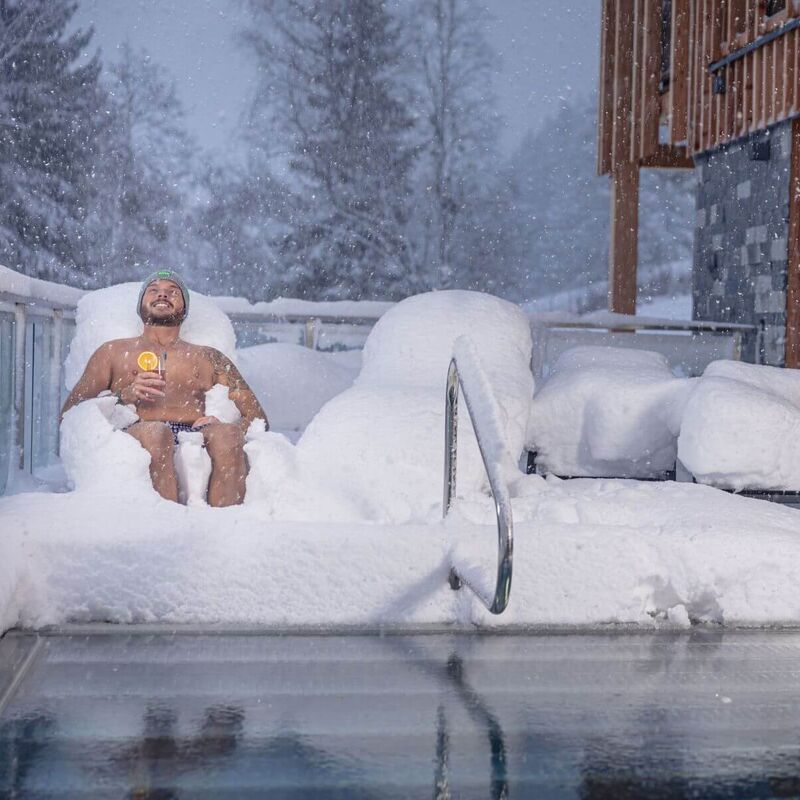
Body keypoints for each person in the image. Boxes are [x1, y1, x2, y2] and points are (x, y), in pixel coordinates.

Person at [61, 270, 268, 506]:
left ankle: (226, 530)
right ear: (141, 305)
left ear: (185, 308)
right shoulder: (112, 353)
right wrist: (121, 397)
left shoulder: (209, 357)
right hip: (137, 429)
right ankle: (165, 530)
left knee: (228, 435)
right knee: (156, 433)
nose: (163, 295)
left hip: (193, 432)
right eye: (154, 290)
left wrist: (222, 423)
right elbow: (70, 414)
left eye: (173, 292)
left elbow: (257, 417)